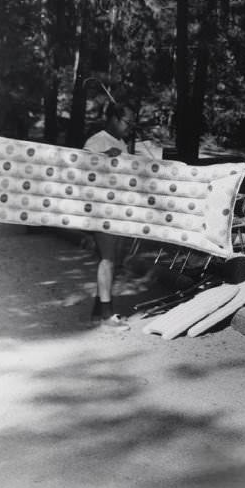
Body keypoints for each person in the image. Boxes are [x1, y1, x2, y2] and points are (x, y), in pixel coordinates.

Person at [83, 102, 139, 330]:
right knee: (107, 259)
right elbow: (83, 173)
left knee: (112, 260)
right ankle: (106, 315)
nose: (130, 127)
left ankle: (98, 311)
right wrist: (105, 157)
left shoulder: (122, 143)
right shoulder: (95, 141)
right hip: (99, 209)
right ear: (114, 118)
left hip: (117, 209)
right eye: (127, 122)